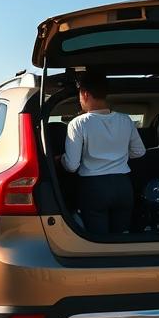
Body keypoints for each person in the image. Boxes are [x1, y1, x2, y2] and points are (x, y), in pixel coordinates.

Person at [61, 74, 146, 234]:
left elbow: (72, 166)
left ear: (85, 94)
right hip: (123, 186)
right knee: (120, 238)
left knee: (99, 241)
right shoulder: (126, 120)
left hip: (94, 188)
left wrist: (61, 160)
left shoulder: (78, 123)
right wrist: (120, 156)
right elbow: (139, 151)